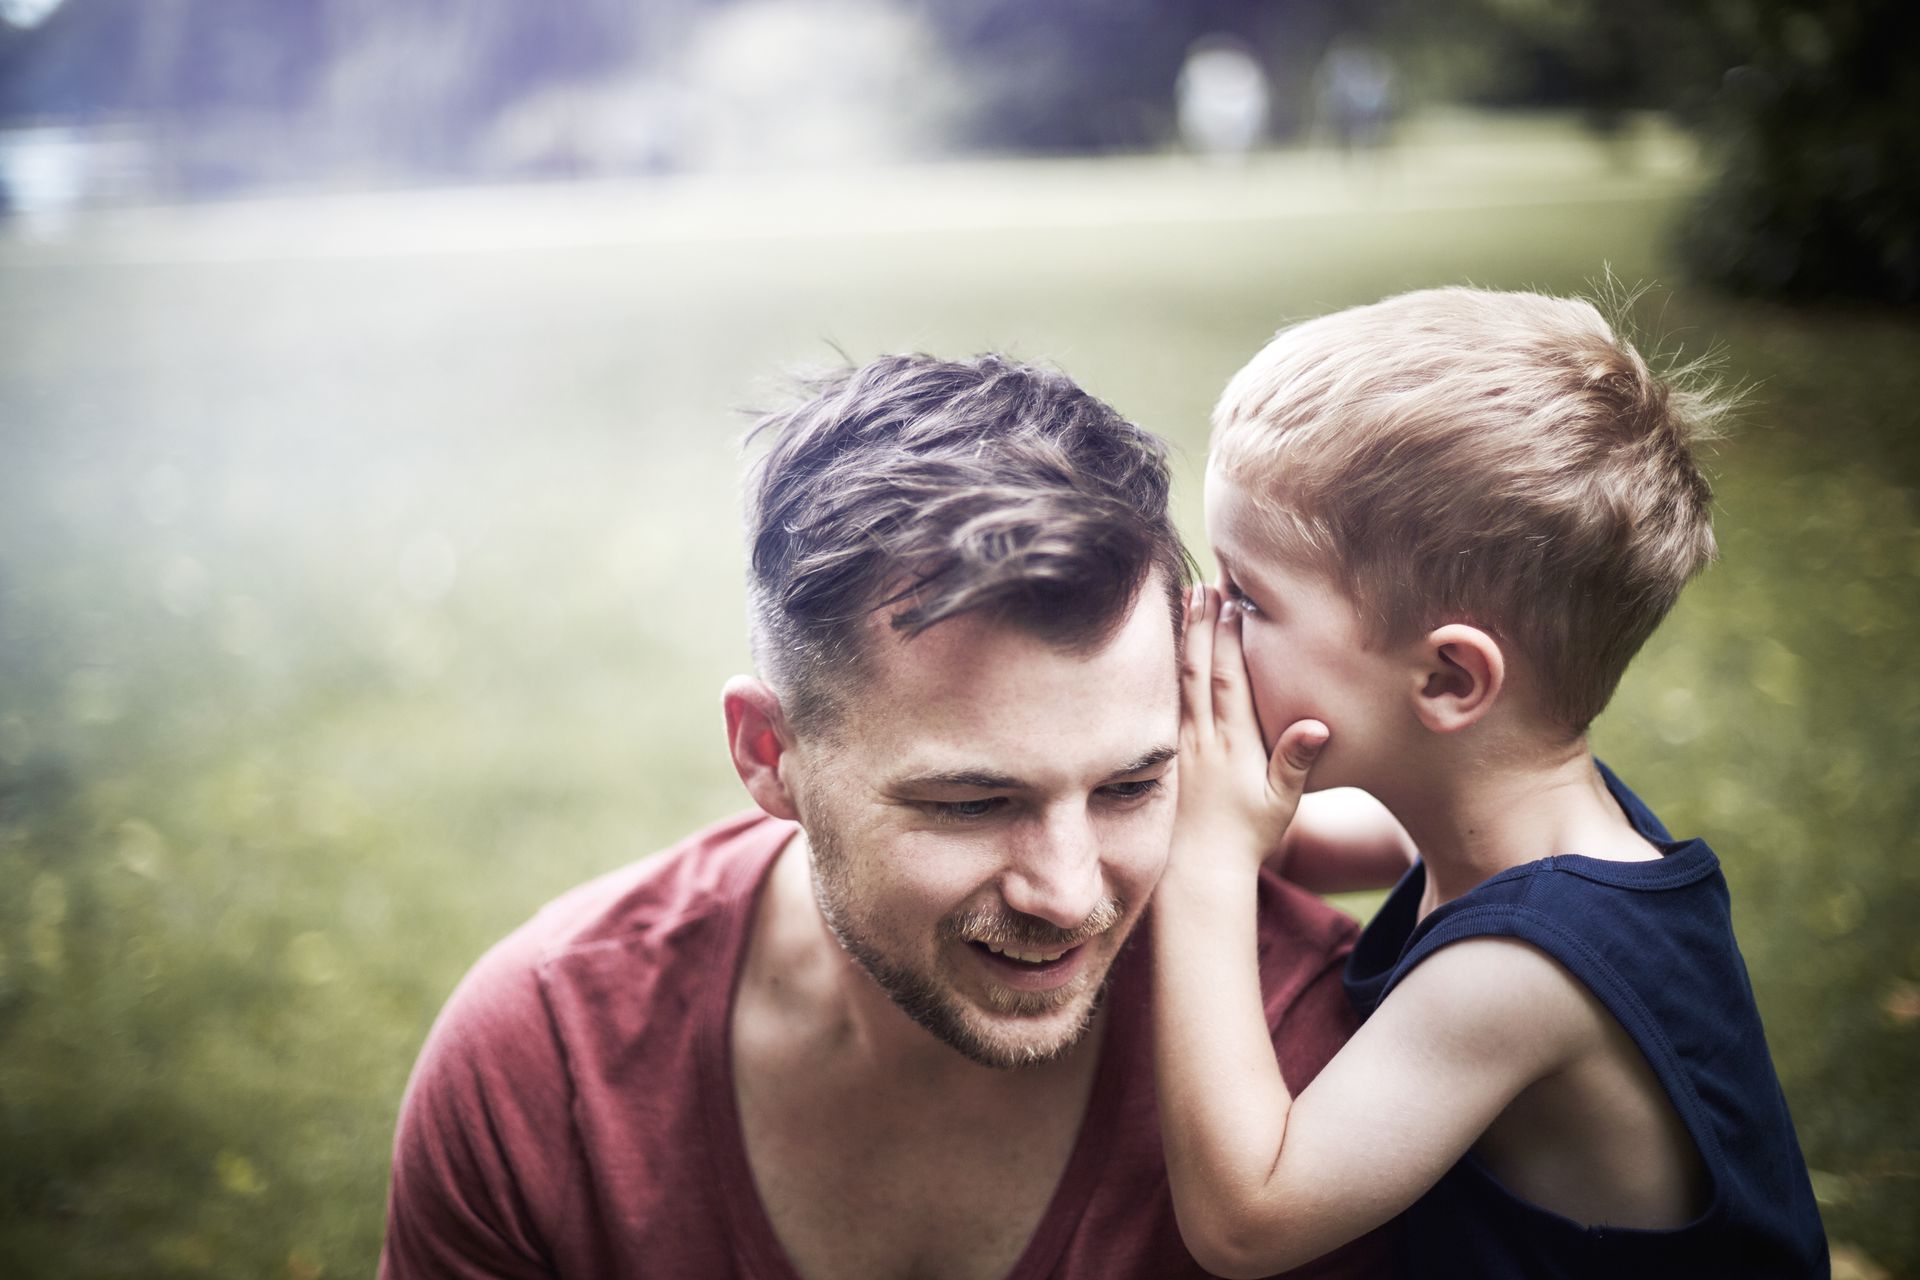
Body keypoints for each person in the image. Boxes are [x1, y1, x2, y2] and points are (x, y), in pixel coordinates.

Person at [379, 353, 1396, 1279]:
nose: (1069, 888)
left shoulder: (1325, 1071)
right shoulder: (546, 1064)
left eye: (1130, 786)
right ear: (768, 753)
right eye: (970, 802)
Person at [1153, 287, 1830, 1278]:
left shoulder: (1521, 976)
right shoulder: (1527, 818)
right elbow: (1314, 836)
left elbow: (1246, 1217)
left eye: (1249, 595)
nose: (1206, 618)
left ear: (1448, 678)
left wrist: (1205, 864)